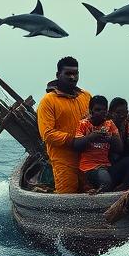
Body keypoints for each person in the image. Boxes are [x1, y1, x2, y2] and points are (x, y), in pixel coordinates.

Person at [36, 56, 92, 193]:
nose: (73, 77)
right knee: (67, 196)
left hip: (88, 158)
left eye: (76, 73)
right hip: (64, 161)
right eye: (68, 74)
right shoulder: (48, 101)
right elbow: (47, 134)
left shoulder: (86, 96)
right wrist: (73, 141)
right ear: (58, 75)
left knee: (94, 191)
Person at [74, 95, 123, 191]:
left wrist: (110, 138)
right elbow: (76, 145)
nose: (101, 113)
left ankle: (124, 189)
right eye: (97, 110)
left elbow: (120, 148)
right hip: (89, 167)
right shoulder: (83, 124)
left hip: (107, 165)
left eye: (104, 110)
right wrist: (91, 137)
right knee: (106, 181)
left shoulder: (109, 124)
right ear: (91, 111)